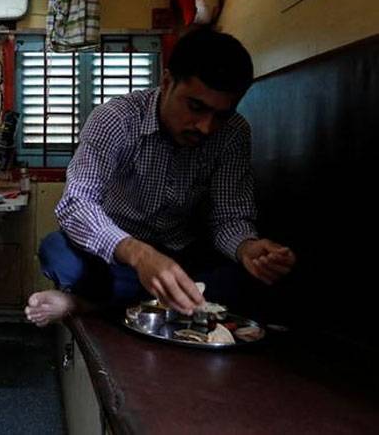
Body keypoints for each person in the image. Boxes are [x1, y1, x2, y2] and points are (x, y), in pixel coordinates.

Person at [25, 29, 297, 327]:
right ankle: (168, 301)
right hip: (118, 254)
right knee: (56, 252)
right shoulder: (115, 119)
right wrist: (139, 255)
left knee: (247, 282)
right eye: (195, 107)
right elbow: (77, 204)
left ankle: (86, 303)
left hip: (181, 257)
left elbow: (228, 217)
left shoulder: (234, 133)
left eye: (221, 114)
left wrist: (246, 248)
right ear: (166, 82)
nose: (206, 127)